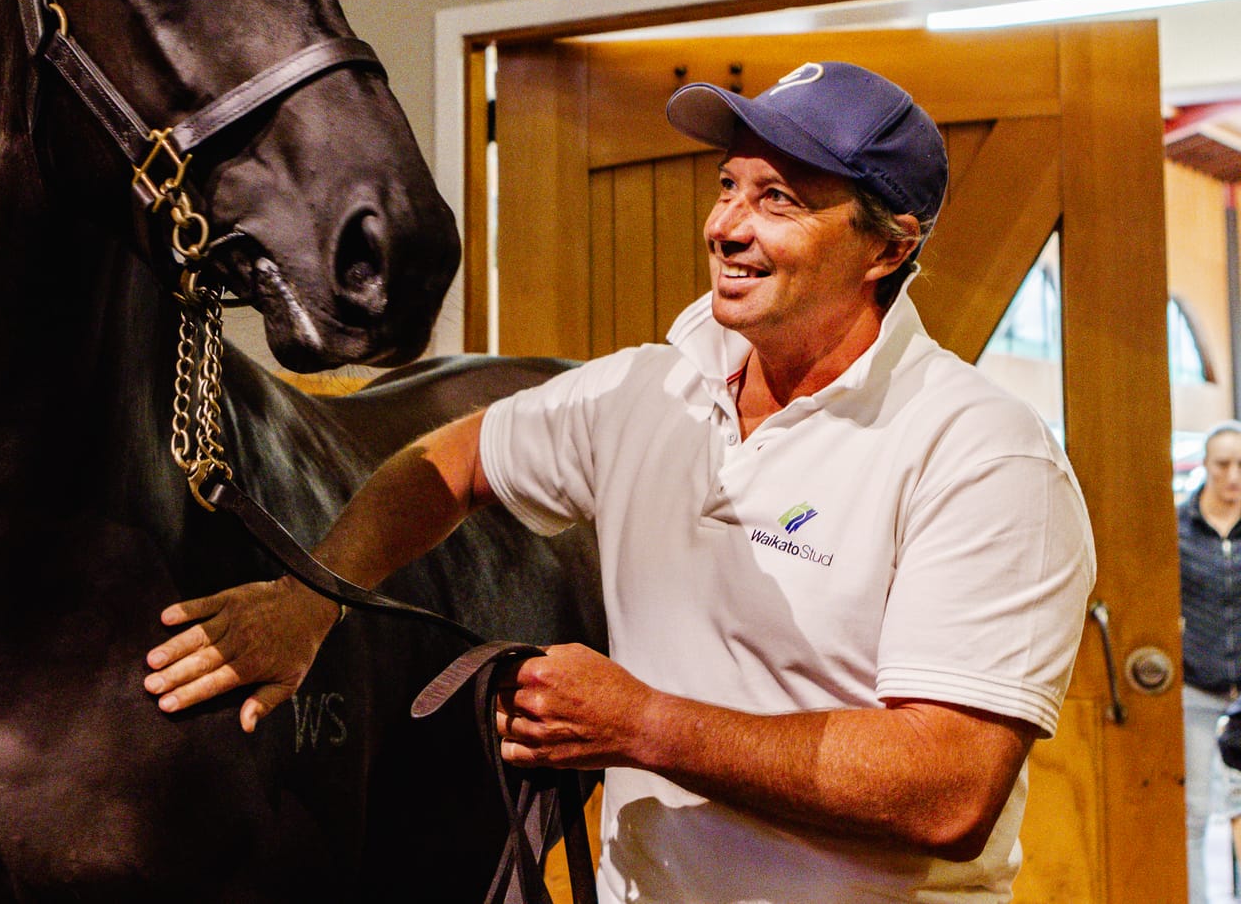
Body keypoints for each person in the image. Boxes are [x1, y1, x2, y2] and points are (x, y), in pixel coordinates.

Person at [144, 61, 1096, 903]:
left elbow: (948, 788)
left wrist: (643, 724)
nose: (727, 227)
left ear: (888, 248)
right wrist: (312, 598)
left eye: (779, 200)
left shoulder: (979, 453)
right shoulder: (648, 390)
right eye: (729, 186)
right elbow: (449, 461)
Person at [1181, 422, 1241, 904]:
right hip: (1197, 688)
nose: (1233, 476)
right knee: (1195, 813)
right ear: (1205, 465)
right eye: (1223, 464)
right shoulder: (1177, 527)